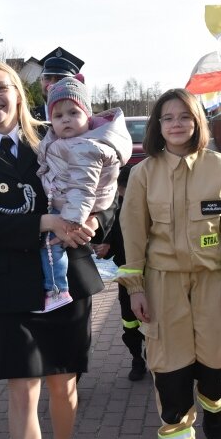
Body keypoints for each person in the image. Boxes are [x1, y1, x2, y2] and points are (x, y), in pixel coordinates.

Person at [0, 59, 125, 439]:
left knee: (63, 387)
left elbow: (109, 189)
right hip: (13, 282)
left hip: (68, 279)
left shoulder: (57, 136)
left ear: (18, 93)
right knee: (22, 390)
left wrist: (95, 224)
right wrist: (45, 222)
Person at [117, 88, 221, 439]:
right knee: (170, 373)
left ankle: (215, 406)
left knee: (216, 364)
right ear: (158, 126)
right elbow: (133, 235)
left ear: (197, 122)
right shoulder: (143, 174)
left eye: (184, 117)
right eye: (167, 118)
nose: (176, 124)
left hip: (213, 283)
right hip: (163, 285)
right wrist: (136, 288)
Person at [36, 76, 131, 311]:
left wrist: (71, 221)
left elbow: (83, 187)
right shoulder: (61, 141)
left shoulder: (84, 147)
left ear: (88, 117)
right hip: (69, 205)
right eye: (58, 116)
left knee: (53, 243)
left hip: (73, 211)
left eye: (73, 113)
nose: (66, 120)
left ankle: (56, 288)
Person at [92, 163, 147, 381]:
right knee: (130, 320)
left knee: (155, 320)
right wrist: (105, 246)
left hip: (158, 272)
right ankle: (137, 358)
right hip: (127, 274)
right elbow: (110, 233)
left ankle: (152, 354)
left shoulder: (152, 203)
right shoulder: (115, 206)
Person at [30, 47, 84, 124]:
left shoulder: (88, 122)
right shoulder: (28, 119)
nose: (52, 84)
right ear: (41, 81)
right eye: (47, 78)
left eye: (59, 79)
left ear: (75, 83)